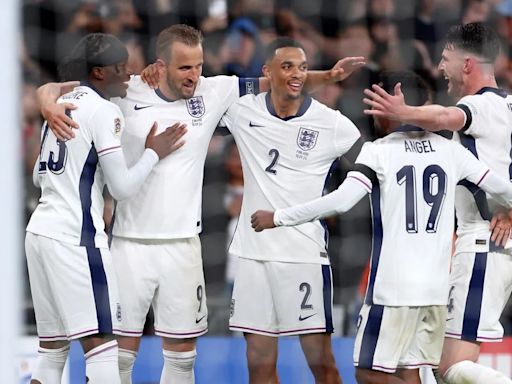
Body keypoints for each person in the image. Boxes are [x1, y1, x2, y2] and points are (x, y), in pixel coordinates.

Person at [37, 25, 365, 384]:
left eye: (199, 66)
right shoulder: (125, 89)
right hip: (130, 244)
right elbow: (61, 89)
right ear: (160, 66)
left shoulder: (216, 91)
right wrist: (45, 102)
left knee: (182, 361)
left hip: (184, 247)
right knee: (119, 358)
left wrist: (330, 75)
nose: (194, 76)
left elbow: (278, 81)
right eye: (184, 68)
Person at [250, 70, 512, 384]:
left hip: (392, 291)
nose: (372, 115)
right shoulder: (453, 152)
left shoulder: (379, 152)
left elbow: (339, 202)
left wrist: (278, 217)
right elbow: (503, 188)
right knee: (410, 372)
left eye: (375, 105)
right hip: (436, 291)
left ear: (390, 107)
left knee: (367, 373)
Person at [25, 33, 186, 384]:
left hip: (39, 233)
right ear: (98, 73)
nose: (127, 74)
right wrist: (153, 152)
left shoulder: (60, 105)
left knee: (52, 355)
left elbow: (39, 176)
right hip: (76, 238)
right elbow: (122, 188)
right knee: (103, 354)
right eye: (120, 68)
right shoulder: (104, 110)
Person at [362, 23, 512, 384]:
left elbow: (447, 117)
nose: (440, 68)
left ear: (467, 64)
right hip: (497, 243)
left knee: (450, 368)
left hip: (483, 242)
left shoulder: (477, 105)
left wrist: (405, 112)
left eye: (446, 59)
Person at [221, 37, 361, 384]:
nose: (297, 74)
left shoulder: (333, 124)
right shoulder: (242, 110)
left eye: (302, 67)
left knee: (322, 363)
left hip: (303, 256)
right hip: (253, 256)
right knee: (259, 365)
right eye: (287, 67)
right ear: (267, 72)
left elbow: (371, 170)